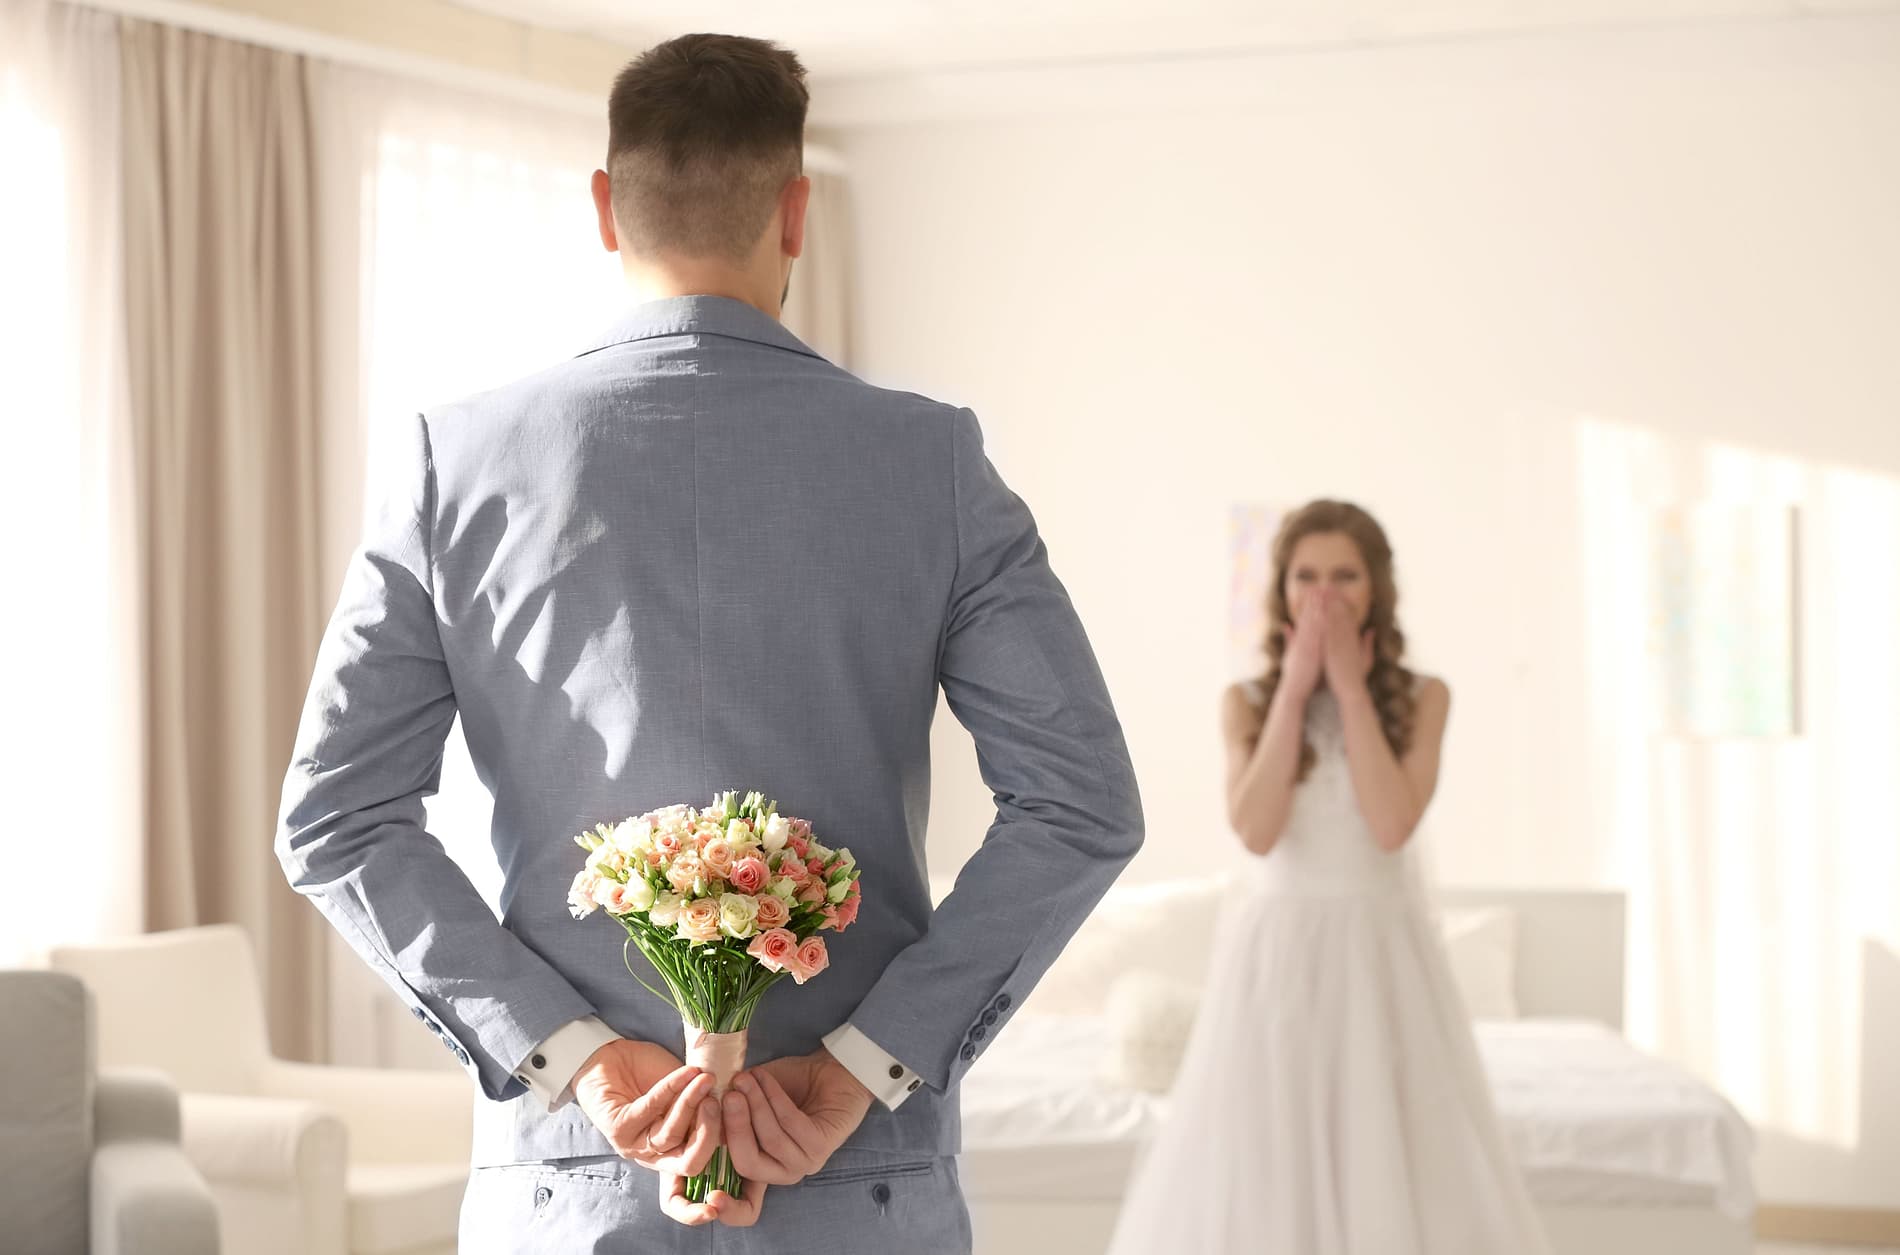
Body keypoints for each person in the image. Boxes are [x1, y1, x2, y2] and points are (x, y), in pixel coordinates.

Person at [275, 32, 1142, 1254]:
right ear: (797, 213)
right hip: (857, 1187)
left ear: (602, 209)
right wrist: (859, 1068)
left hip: (568, 1189)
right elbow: (1082, 804)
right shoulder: (930, 462)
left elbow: (335, 821)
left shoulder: (450, 465)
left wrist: (578, 1058)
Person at [1104, 499, 1551, 1254]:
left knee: (1390, 1147)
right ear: (1280, 591)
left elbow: (1390, 826)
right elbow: (1255, 828)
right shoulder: (1244, 702)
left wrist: (1348, 688)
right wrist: (1297, 685)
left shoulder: (1424, 696)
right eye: (1305, 576)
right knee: (1273, 1152)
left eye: (1344, 575)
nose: (1323, 595)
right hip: (1278, 960)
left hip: (1382, 961)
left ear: (1376, 588)